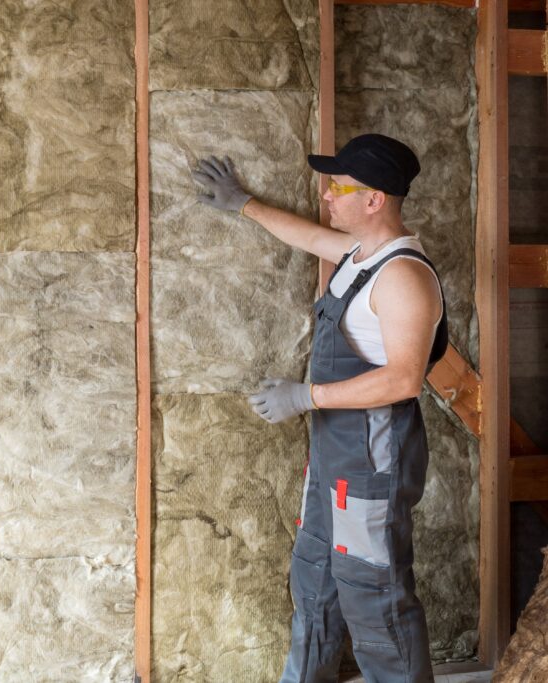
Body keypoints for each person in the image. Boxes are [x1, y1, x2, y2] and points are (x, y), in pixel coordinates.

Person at [192, 134, 448, 683]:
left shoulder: (403, 275)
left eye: (340, 186)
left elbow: (404, 379)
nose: (327, 196)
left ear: (375, 199)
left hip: (370, 465)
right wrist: (243, 203)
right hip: (333, 459)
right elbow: (308, 235)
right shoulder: (360, 256)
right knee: (315, 585)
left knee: (373, 598)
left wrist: (304, 396)